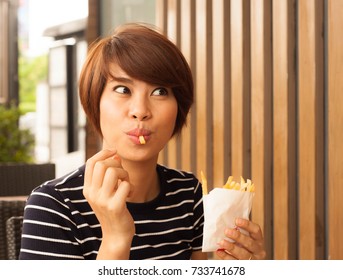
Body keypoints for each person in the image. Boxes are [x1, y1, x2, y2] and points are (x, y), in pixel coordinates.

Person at [19, 23, 266, 260]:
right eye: (122, 90)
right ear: (95, 102)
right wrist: (116, 237)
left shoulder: (187, 194)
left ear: (179, 108)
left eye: (160, 91)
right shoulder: (53, 207)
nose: (140, 110)